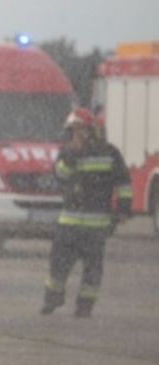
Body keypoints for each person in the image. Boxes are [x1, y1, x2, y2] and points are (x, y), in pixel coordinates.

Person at [41, 107, 132, 318]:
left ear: (91, 130)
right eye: (72, 131)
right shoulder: (67, 152)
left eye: (79, 130)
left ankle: (84, 307)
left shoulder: (110, 153)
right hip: (69, 225)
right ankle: (52, 300)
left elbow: (123, 182)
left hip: (97, 226)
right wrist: (73, 152)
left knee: (92, 270)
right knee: (58, 266)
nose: (76, 134)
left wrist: (124, 208)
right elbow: (60, 176)